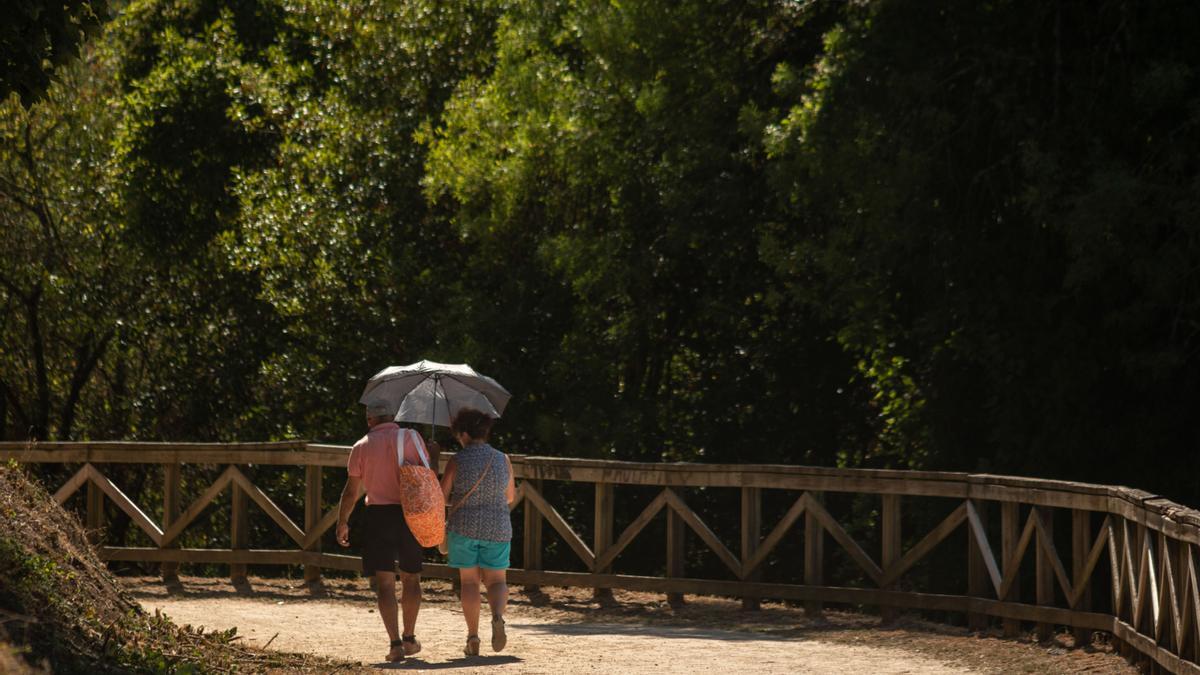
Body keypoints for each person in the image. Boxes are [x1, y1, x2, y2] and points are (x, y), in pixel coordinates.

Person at [336, 399, 431, 663]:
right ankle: (410, 637)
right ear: (393, 416)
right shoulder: (411, 437)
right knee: (412, 578)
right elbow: (427, 475)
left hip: (378, 516)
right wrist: (432, 453)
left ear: (370, 420)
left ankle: (395, 644)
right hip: (409, 513)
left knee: (385, 584)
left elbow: (352, 491)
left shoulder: (361, 447)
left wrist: (342, 521)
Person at [440, 407, 516, 656]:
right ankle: (497, 616)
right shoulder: (502, 458)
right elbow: (510, 496)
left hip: (464, 527)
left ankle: (473, 637)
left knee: (469, 582)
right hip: (497, 527)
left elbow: (441, 497)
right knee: (497, 580)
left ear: (463, 434)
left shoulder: (457, 460)